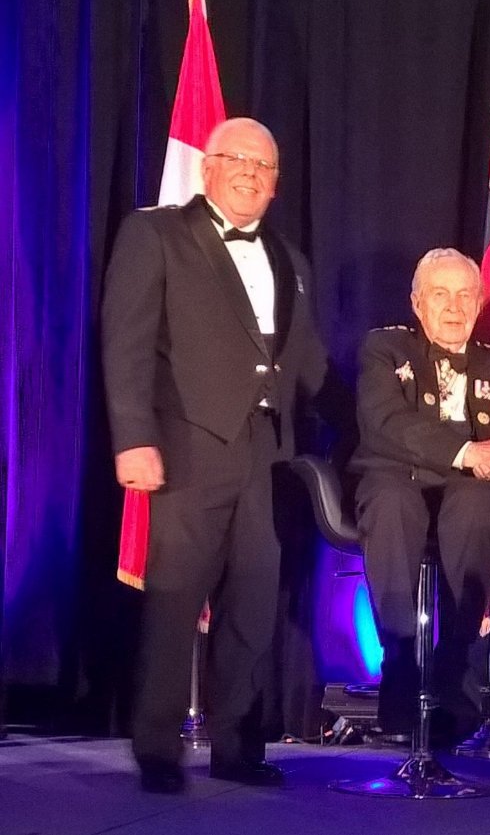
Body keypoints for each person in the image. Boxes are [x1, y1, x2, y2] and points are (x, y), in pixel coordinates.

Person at [103, 117, 344, 793]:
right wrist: (133, 436)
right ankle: (157, 749)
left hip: (268, 456)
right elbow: (126, 340)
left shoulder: (291, 260)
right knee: (174, 601)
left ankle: (238, 746)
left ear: (275, 183)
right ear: (207, 168)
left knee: (253, 606)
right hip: (186, 446)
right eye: (236, 158)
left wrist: (375, 425)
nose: (249, 172)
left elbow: (310, 365)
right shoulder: (155, 234)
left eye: (263, 165)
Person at [347, 248, 490, 743]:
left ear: (479, 304)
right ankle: (399, 663)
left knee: (476, 503)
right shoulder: (384, 349)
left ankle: (454, 664)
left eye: (464, 296)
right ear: (417, 303)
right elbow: (385, 423)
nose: (454, 307)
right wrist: (468, 451)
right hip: (395, 479)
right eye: (440, 295)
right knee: (393, 504)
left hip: (468, 491)